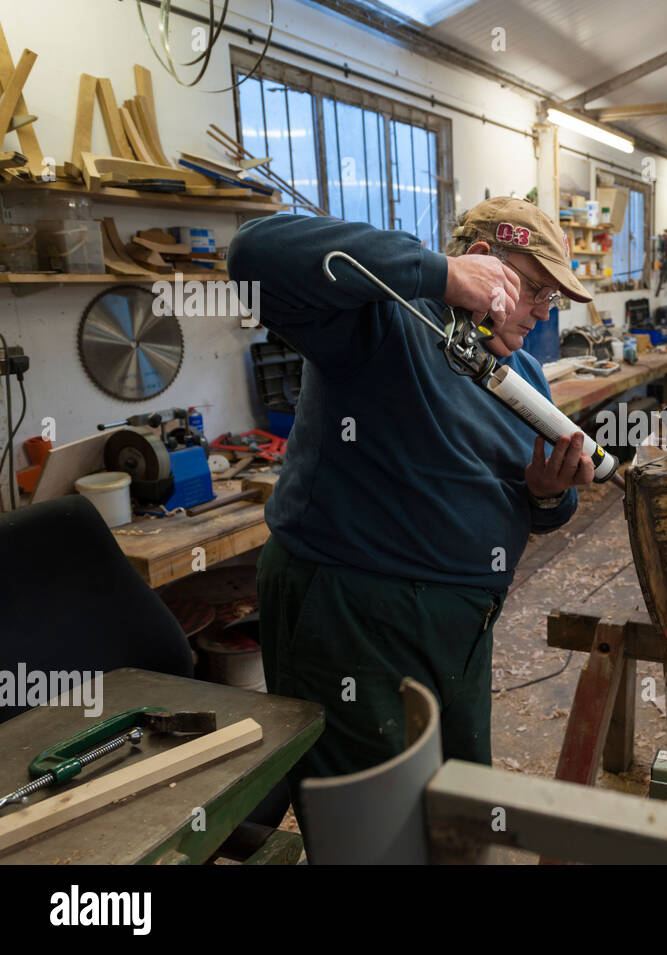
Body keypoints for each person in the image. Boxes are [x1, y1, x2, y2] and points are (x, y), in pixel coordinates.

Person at [227, 197, 594, 792]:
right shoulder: (384, 320)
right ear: (481, 263)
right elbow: (254, 252)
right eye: (533, 291)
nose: (541, 316)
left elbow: (545, 506)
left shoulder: (520, 373)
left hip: (462, 630)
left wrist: (549, 495)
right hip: (356, 619)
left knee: (459, 802)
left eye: (551, 300)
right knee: (375, 814)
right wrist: (439, 274)